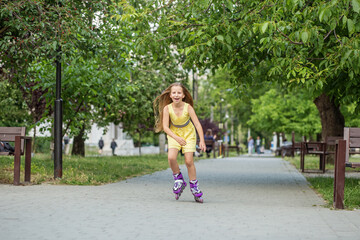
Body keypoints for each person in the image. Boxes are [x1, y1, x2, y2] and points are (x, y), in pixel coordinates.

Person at [153, 82, 206, 203]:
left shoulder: (188, 107)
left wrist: (201, 140)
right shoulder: (167, 108)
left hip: (188, 134)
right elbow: (166, 127)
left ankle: (194, 186)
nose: (176, 95)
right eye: (174, 93)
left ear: (183, 95)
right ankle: (178, 179)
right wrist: (176, 138)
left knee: (188, 161)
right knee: (171, 158)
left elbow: (197, 124)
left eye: (179, 93)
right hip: (173, 134)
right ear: (170, 95)